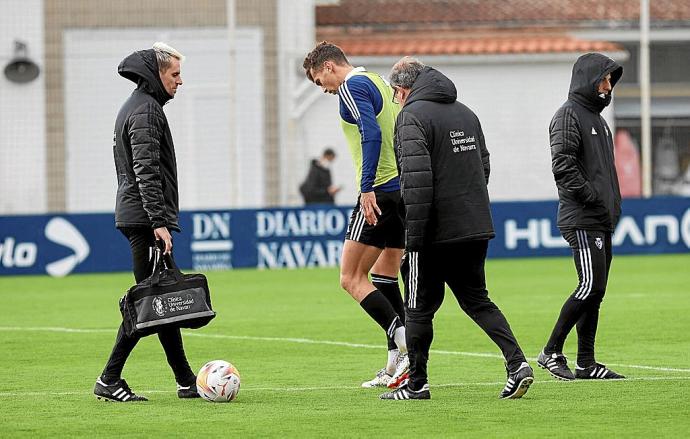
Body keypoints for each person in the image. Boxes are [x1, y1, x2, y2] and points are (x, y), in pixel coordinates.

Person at [380, 57, 533, 401]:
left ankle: (417, 384)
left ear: (401, 90)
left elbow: (416, 183)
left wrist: (414, 239)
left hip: (433, 233)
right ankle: (517, 363)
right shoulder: (466, 113)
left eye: (395, 93)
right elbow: (484, 166)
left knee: (418, 308)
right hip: (474, 225)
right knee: (478, 300)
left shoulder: (411, 117)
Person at [93, 42, 199, 402]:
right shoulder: (146, 111)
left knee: (161, 298)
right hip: (145, 219)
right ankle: (109, 379)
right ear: (156, 74)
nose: (180, 81)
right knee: (150, 300)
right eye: (175, 74)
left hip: (137, 215)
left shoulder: (139, 107)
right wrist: (159, 221)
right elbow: (146, 171)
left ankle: (186, 381)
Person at [303, 42, 409, 388]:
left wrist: (366, 187)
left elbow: (371, 132)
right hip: (402, 189)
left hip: (378, 190)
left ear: (330, 67)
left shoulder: (350, 86)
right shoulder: (378, 80)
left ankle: (409, 346)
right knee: (384, 276)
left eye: (321, 80)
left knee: (350, 278)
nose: (324, 89)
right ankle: (395, 363)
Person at [537, 53, 625, 381]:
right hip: (581, 216)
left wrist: (611, 206)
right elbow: (563, 165)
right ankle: (550, 351)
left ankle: (586, 363)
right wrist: (592, 199)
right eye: (603, 79)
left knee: (597, 290)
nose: (607, 85)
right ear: (587, 79)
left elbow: (605, 172)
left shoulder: (599, 120)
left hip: (600, 217)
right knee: (589, 285)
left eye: (610, 80)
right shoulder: (567, 116)